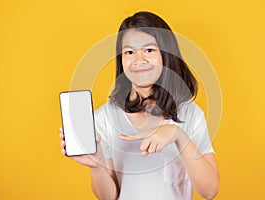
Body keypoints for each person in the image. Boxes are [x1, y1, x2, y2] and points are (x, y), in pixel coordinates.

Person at [59, 11, 219, 200]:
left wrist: (178, 135)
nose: (138, 60)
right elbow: (109, 197)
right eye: (129, 52)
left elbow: (209, 191)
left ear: (166, 55)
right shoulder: (105, 117)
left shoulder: (190, 114)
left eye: (149, 50)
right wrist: (96, 166)